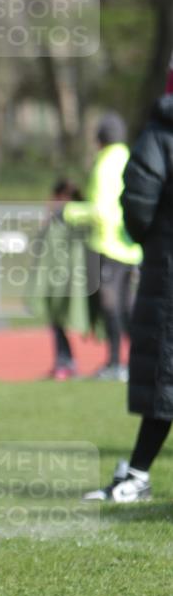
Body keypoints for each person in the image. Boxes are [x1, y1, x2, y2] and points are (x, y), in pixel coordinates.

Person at [84, 87, 173, 501]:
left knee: (164, 374)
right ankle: (137, 472)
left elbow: (137, 202)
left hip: (162, 267)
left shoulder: (159, 133)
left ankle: (136, 475)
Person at [63, 112, 142, 380]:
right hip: (131, 247)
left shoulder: (105, 164)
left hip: (108, 245)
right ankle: (138, 363)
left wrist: (69, 212)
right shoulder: (130, 157)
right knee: (129, 308)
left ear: (100, 138)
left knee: (112, 308)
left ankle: (115, 364)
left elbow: (100, 210)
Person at [29, 179, 88, 380]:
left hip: (66, 281)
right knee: (57, 322)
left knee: (63, 320)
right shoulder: (58, 219)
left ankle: (112, 363)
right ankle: (64, 361)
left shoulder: (69, 219)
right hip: (59, 280)